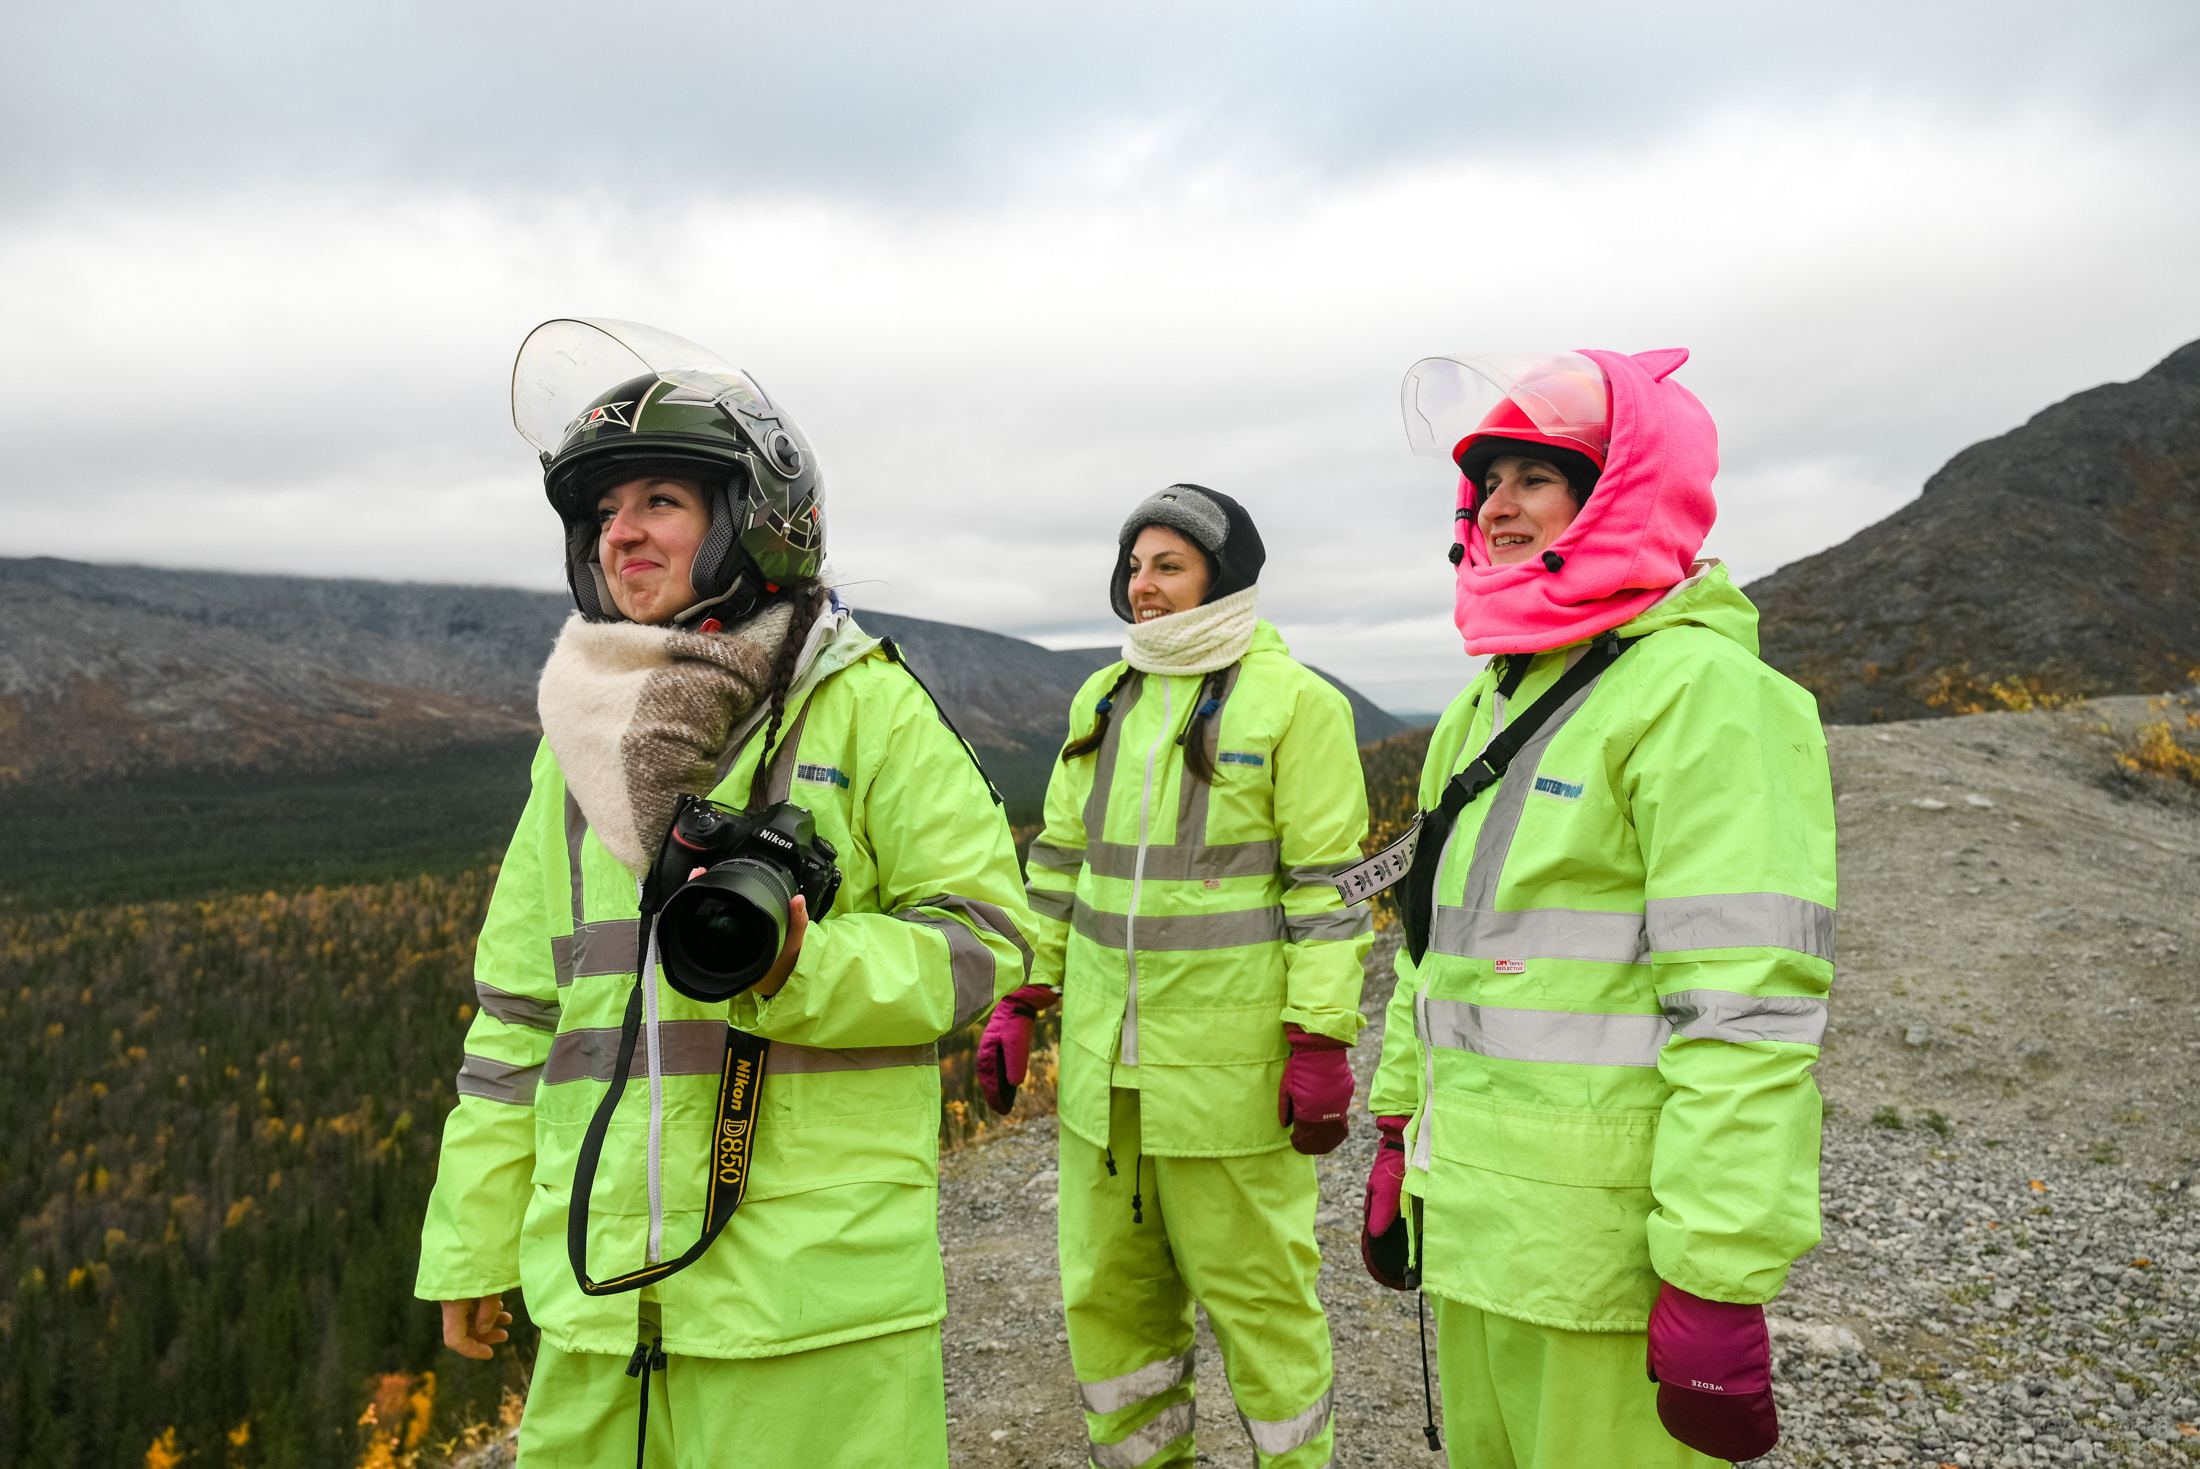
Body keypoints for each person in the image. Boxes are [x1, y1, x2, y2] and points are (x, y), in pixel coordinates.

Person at [415, 318, 1034, 1467]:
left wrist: (804, 969)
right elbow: (513, 1018)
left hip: (809, 1310)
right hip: (597, 1303)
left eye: (660, 500)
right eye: (603, 512)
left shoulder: (863, 705)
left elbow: (986, 941)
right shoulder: (575, 740)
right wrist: (472, 1241)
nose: (621, 532)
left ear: (755, 515)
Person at [1356, 348, 1835, 1467]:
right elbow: (1433, 953)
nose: (1500, 505)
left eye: (1539, 476)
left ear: (1619, 491)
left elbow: (1747, 1011)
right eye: (1489, 482)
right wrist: (1395, 1131)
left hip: (1606, 1263)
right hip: (1474, 1222)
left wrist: (1716, 1271)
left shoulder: (1706, 695)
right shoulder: (1485, 697)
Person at [978, 485, 1372, 1469]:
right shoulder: (1103, 697)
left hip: (1228, 1079)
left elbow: (1329, 890)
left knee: (1264, 1310)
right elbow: (1059, 868)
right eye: (1134, 565)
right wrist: (1025, 993)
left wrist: (1322, 1036)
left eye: (1169, 564)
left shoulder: (1297, 704)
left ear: (1221, 576)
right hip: (1107, 1082)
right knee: (1110, 1308)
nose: (1143, 587)